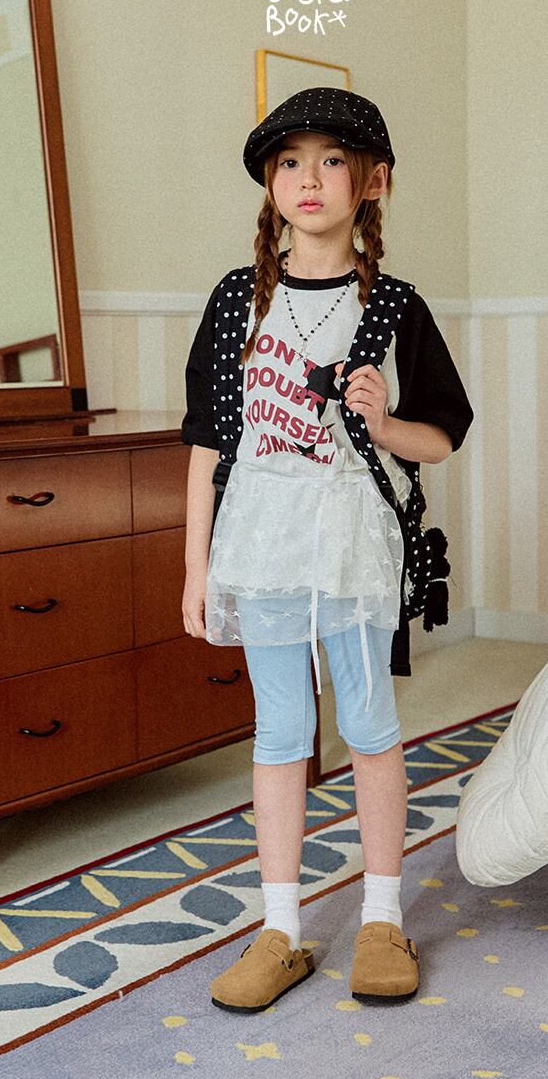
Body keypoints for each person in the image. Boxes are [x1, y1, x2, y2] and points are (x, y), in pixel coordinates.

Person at [181, 87, 473, 1014]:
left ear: (372, 181)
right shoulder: (236, 301)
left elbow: (441, 438)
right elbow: (207, 446)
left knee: (369, 721)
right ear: (271, 184)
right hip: (259, 540)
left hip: (352, 541)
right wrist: (196, 568)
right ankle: (280, 930)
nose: (309, 179)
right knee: (279, 731)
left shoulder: (394, 307)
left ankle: (382, 917)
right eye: (290, 162)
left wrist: (383, 423)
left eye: (332, 160)